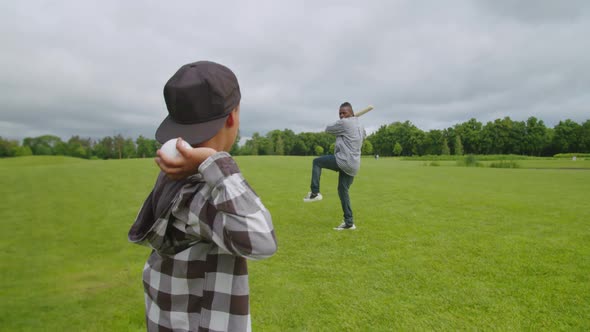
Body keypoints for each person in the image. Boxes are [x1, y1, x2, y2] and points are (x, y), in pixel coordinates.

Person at [128, 61, 278, 332]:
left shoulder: (173, 178)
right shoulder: (199, 191)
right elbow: (261, 240)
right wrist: (216, 164)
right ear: (232, 117)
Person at [303, 102, 366, 230]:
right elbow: (363, 135)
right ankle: (349, 222)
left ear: (351, 113)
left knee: (317, 162)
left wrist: (342, 125)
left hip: (343, 160)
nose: (342, 116)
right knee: (343, 191)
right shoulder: (360, 126)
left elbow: (328, 129)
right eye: (340, 114)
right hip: (354, 165)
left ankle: (315, 193)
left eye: (344, 113)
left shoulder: (344, 123)